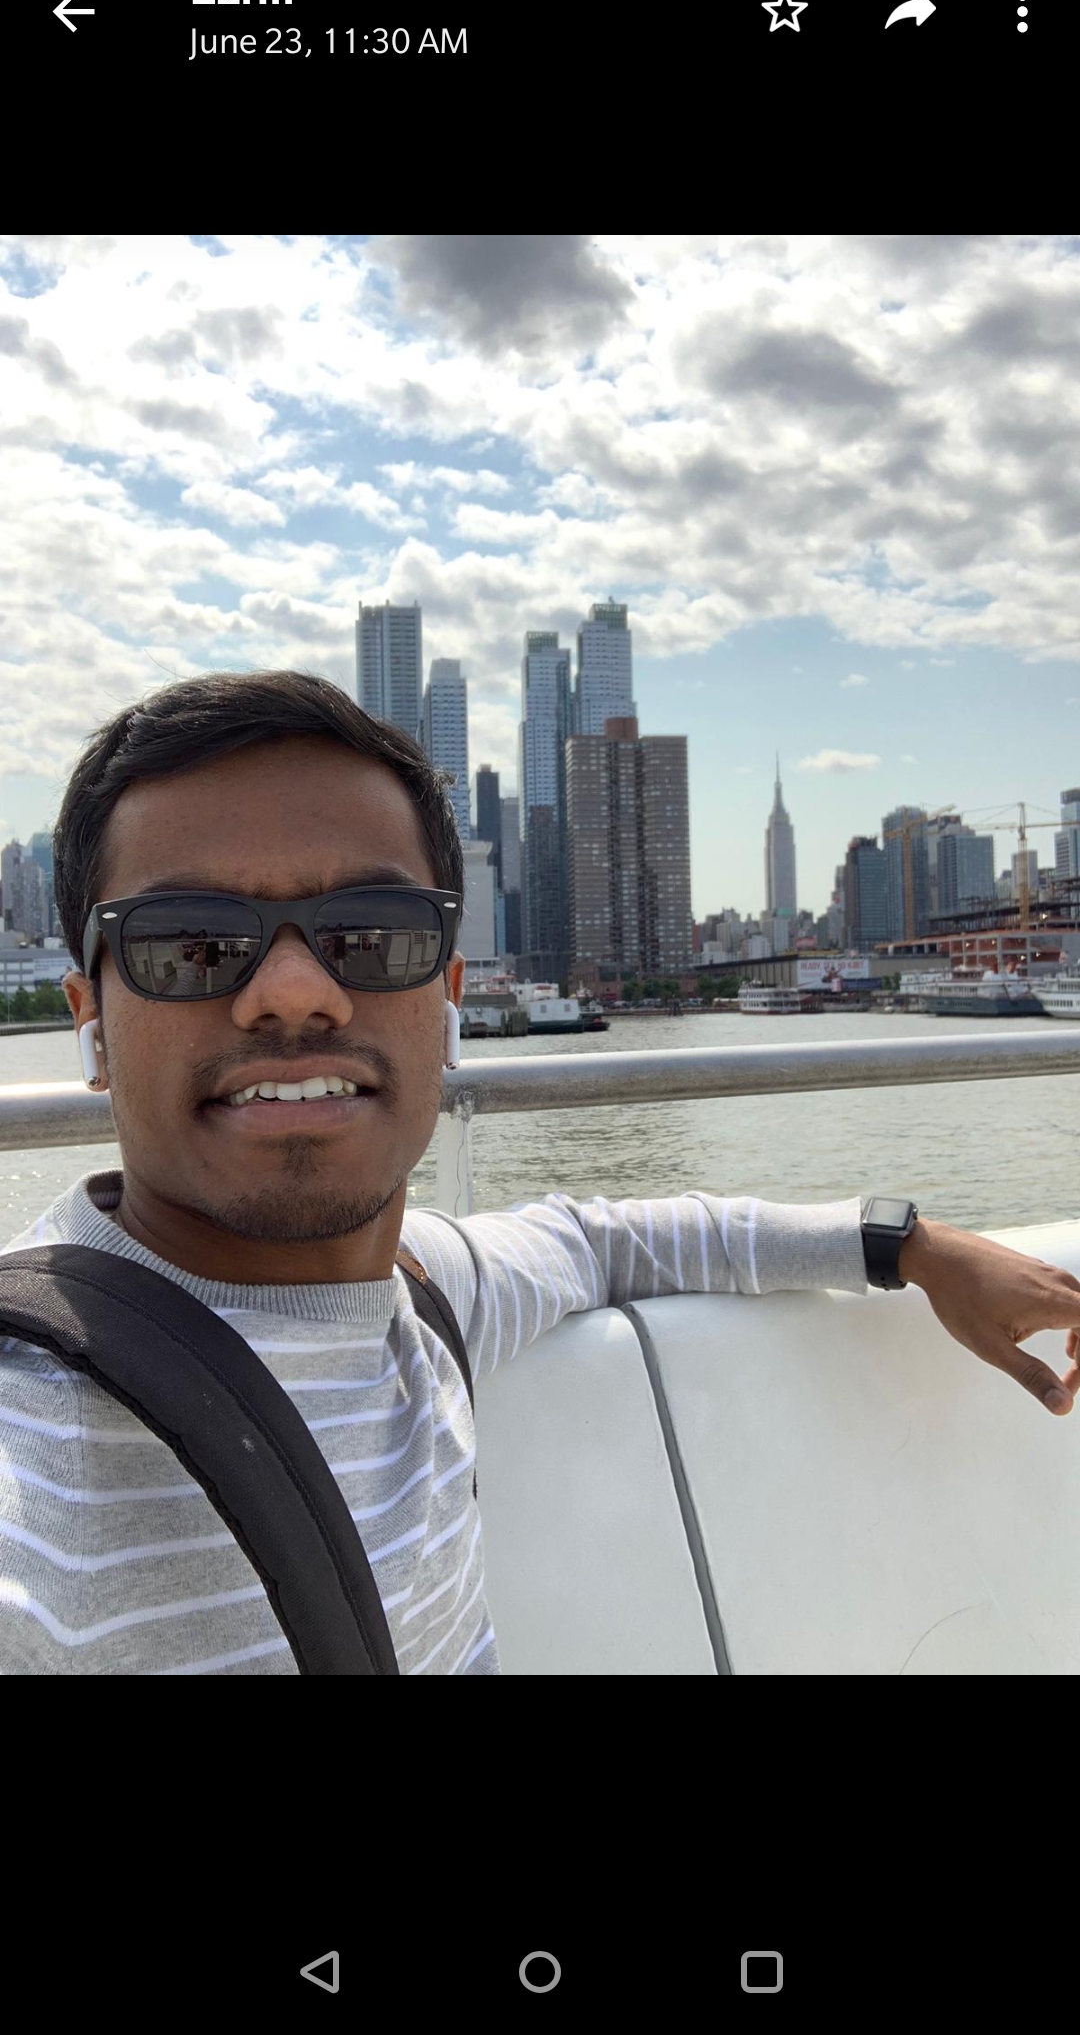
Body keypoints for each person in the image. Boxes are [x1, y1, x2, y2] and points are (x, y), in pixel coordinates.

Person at [1, 670, 1077, 1677]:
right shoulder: (31, 1435)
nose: (293, 990)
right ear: (90, 1018)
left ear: (448, 999)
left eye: (372, 936)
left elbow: (605, 1240)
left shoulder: (425, 1294)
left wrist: (911, 1246)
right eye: (191, 943)